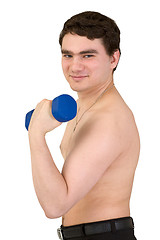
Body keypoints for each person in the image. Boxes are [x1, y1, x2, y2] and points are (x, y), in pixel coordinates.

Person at [28, 11, 140, 240]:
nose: (75, 66)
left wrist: (36, 134)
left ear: (113, 59)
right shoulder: (84, 105)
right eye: (68, 55)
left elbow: (55, 205)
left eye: (87, 56)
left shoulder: (108, 119)